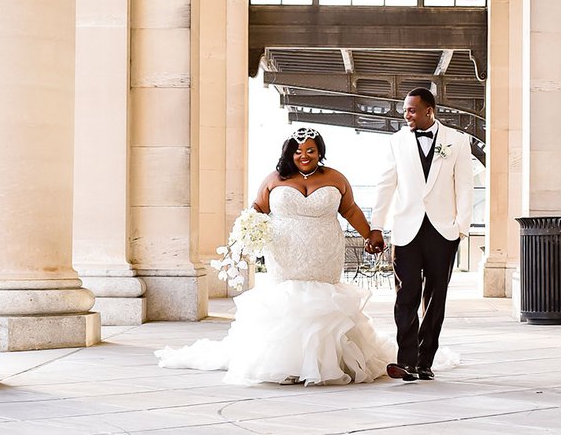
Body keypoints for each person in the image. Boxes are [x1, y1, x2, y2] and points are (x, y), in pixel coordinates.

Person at [156, 127, 395, 385]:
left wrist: (371, 234)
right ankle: (286, 364)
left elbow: (349, 210)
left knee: (323, 297)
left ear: (320, 152)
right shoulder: (274, 179)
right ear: (289, 153)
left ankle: (329, 362)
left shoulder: (336, 178)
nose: (304, 156)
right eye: (298, 151)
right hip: (284, 251)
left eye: (311, 151)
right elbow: (257, 209)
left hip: (325, 251)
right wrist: (246, 235)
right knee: (288, 298)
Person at [366, 87, 474, 382]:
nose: (406, 115)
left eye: (412, 110)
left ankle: (425, 362)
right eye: (405, 110)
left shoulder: (458, 141)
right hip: (406, 230)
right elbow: (385, 185)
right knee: (406, 295)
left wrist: (461, 227)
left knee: (435, 297)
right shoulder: (396, 142)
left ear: (429, 110)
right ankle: (407, 362)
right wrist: (376, 225)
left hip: (443, 231)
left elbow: (465, 185)